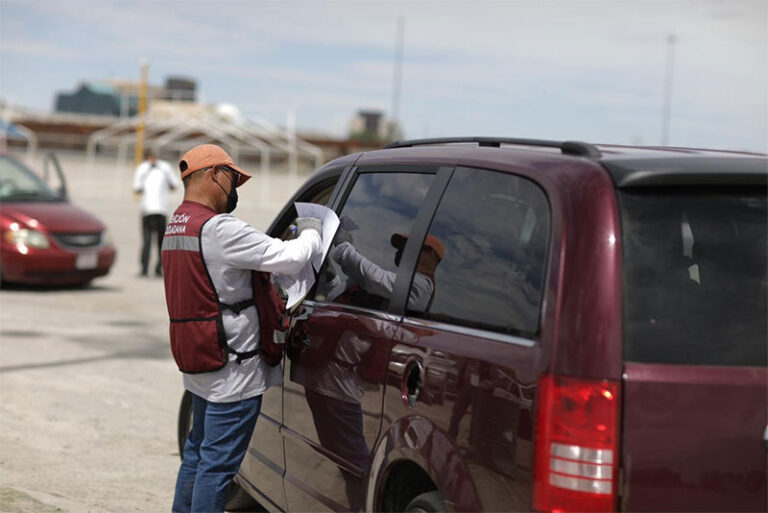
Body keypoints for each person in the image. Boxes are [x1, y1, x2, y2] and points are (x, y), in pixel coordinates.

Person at [162, 144, 323, 513]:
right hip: (233, 372)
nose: (234, 190)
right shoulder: (220, 229)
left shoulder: (177, 224)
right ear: (214, 174)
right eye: (233, 179)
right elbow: (290, 257)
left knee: (197, 455)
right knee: (217, 468)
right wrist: (313, 233)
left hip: (201, 363)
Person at [133, 149, 179, 277]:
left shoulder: (142, 168)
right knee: (161, 242)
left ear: (145, 157)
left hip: (147, 209)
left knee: (147, 241)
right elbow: (174, 185)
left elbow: (137, 188)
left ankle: (144, 269)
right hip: (162, 209)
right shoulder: (165, 167)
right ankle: (159, 269)